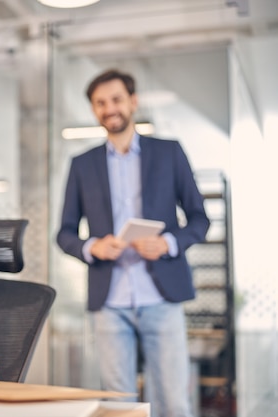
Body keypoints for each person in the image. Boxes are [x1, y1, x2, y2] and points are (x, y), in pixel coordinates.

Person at [56, 69, 209, 417]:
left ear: (133, 102)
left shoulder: (169, 153)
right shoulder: (82, 165)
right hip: (110, 300)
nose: (109, 108)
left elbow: (200, 219)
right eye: (100, 103)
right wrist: (90, 246)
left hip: (162, 295)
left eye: (116, 99)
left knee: (173, 402)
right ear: (94, 110)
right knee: (118, 407)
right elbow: (64, 233)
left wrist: (168, 242)